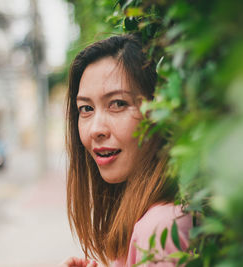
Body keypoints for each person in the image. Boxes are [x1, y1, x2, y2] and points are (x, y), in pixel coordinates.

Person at [61, 34, 192, 267]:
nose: (95, 130)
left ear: (159, 110)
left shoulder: (160, 230)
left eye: (118, 104)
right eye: (86, 108)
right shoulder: (148, 219)